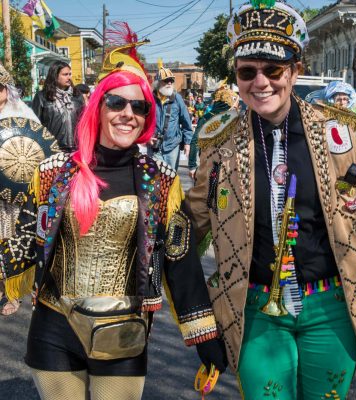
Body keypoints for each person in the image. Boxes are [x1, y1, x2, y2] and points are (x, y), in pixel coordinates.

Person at [185, 2, 356, 399]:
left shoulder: (336, 130)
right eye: (248, 72)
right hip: (254, 311)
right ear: (237, 77)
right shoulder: (218, 142)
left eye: (273, 69)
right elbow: (189, 224)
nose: (261, 82)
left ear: (295, 70)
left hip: (332, 307)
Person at [0, 33, 226, 400]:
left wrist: (203, 334)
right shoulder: (53, 171)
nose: (128, 114)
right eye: (117, 102)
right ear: (98, 107)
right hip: (52, 326)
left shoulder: (162, 181)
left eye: (140, 108)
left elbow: (179, 260)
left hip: (123, 331)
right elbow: (21, 236)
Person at [0, 62, 41, 316]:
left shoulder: (22, 113)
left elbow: (37, 149)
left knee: (12, 242)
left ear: (6, 89)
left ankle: (12, 294)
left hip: (14, 191)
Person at [188, 83, 239, 180]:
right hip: (209, 166)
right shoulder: (207, 118)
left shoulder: (234, 119)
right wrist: (192, 166)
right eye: (234, 106)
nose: (236, 108)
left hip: (229, 167)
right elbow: (195, 142)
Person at [32, 61, 85, 152]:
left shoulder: (77, 95)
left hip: (77, 148)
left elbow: (84, 121)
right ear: (55, 76)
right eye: (65, 74)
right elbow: (35, 125)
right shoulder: (42, 97)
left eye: (69, 74)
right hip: (52, 149)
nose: (69, 77)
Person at [151, 63, 193, 170]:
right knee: (156, 180)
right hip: (154, 147)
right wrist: (146, 137)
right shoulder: (149, 99)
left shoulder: (177, 98)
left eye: (171, 80)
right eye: (166, 80)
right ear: (157, 83)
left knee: (170, 179)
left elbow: (186, 123)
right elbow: (142, 122)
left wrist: (188, 143)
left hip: (172, 147)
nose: (169, 83)